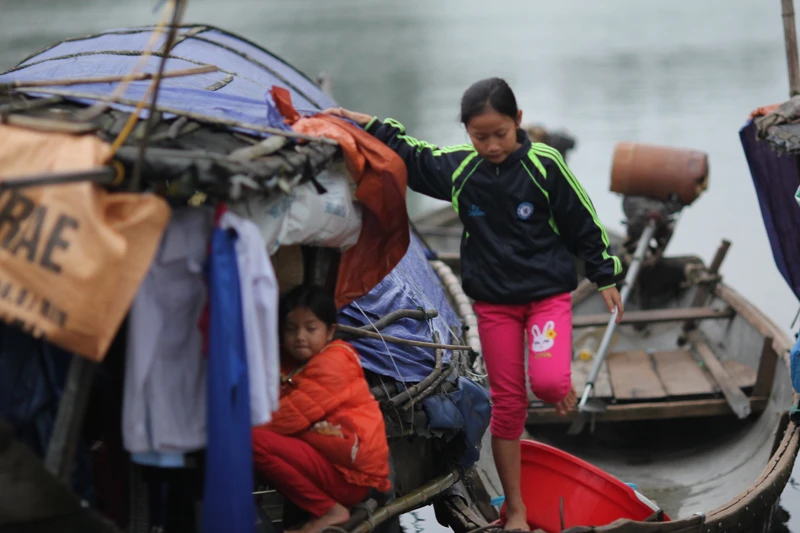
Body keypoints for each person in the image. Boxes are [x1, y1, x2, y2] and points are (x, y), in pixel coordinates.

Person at [324, 77, 624, 531]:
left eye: (500, 134)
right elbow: (411, 154)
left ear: (518, 121)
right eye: (480, 137)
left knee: (547, 383)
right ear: (466, 131)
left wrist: (605, 275)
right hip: (495, 305)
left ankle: (556, 383)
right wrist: (363, 124)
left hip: (545, 299)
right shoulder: (461, 169)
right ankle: (515, 510)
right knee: (507, 406)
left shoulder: (545, 165)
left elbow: (582, 219)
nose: (492, 146)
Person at [252, 285, 391, 533]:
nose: (299, 337)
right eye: (291, 328)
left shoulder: (334, 363)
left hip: (350, 478)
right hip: (334, 464)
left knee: (253, 439)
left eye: (310, 328)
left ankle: (329, 510)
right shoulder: (293, 362)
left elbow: (286, 418)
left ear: (330, 332)